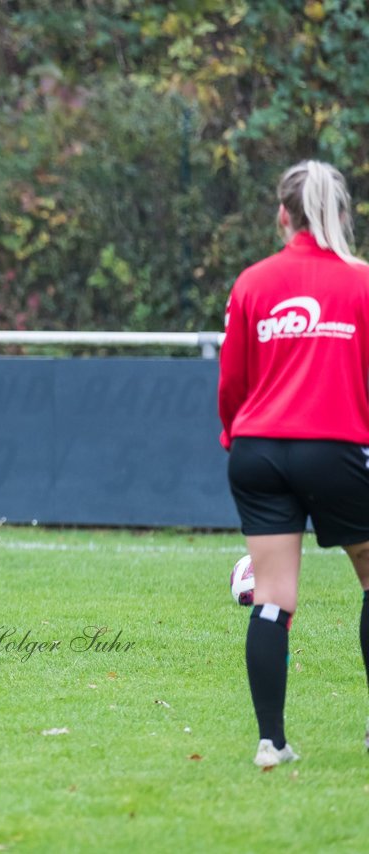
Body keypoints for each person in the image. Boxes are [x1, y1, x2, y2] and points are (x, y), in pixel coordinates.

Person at [218, 159, 369, 768]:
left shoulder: (252, 282)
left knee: (273, 598)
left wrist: (235, 437)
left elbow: (232, 382)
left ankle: (271, 743)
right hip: (334, 447)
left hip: (257, 451)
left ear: (283, 214)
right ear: (340, 214)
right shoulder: (361, 283)